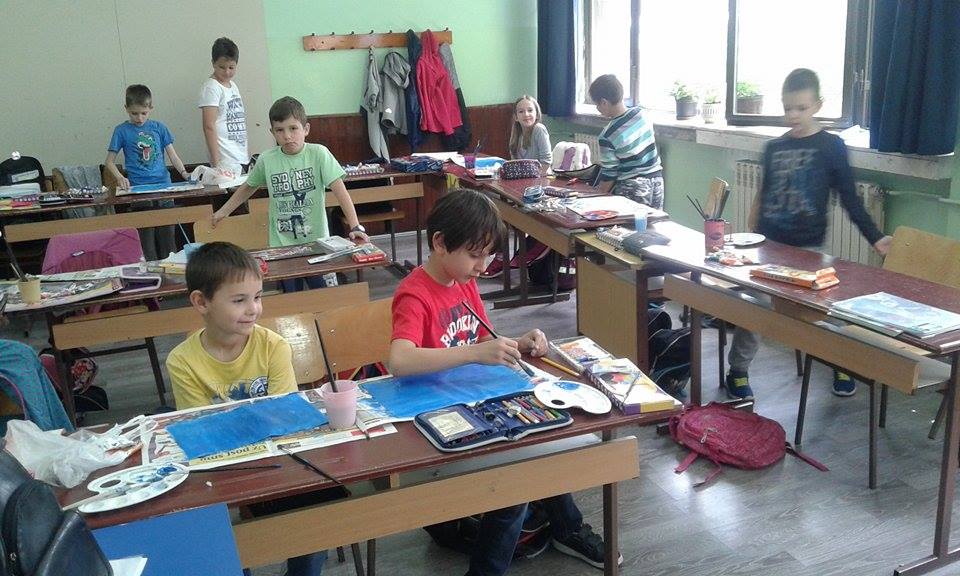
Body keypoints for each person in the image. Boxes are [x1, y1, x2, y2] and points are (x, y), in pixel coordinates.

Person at [389, 189, 619, 574]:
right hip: (433, 419)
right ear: (440, 243)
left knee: (540, 445)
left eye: (488, 255)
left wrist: (516, 344)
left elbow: (481, 336)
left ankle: (566, 528)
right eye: (475, 255)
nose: (483, 267)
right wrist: (476, 353)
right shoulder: (415, 293)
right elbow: (400, 360)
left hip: (472, 401)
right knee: (516, 481)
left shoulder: (461, 278)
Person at [725, 68, 893, 400]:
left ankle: (840, 363)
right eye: (787, 107)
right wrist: (752, 229)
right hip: (769, 247)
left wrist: (875, 237)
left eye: (801, 108)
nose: (793, 115)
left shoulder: (832, 147)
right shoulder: (774, 147)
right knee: (754, 306)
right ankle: (738, 370)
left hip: (809, 250)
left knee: (826, 308)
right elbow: (764, 191)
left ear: (817, 105)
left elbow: (850, 198)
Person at [165, 241, 327, 575]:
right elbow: (203, 431)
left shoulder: (273, 346)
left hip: (278, 461)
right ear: (201, 302)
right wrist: (256, 420)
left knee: (317, 509)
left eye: (258, 297)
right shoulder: (182, 360)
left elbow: (285, 415)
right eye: (239, 300)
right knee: (209, 527)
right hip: (222, 470)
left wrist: (240, 423)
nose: (253, 309)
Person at [212, 96, 368, 291]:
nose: (287, 136)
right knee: (291, 299)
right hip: (281, 247)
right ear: (272, 132)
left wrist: (355, 226)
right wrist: (223, 211)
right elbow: (248, 187)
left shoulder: (319, 154)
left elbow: (341, 192)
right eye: (280, 130)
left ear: (306, 129)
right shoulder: (267, 159)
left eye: (293, 128)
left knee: (322, 296)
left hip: (317, 244)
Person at [105, 84, 189, 261]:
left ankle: (171, 273)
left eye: (144, 113)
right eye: (134, 113)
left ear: (151, 108)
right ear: (126, 109)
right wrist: (120, 177)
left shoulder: (159, 127)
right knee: (146, 243)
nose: (139, 118)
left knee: (168, 241)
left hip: (163, 187)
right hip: (139, 191)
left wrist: (185, 174)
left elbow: (173, 156)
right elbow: (109, 162)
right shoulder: (121, 130)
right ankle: (151, 273)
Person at [482, 95, 552, 279]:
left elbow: (546, 163)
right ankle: (501, 256)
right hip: (522, 187)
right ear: (515, 116)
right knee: (499, 211)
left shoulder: (539, 130)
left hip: (538, 189)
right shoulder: (517, 134)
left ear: (537, 113)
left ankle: (504, 257)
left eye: (530, 110)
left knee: (508, 214)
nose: (526, 114)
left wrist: (528, 187)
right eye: (521, 111)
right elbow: (516, 165)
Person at [589, 74, 664, 210]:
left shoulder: (607, 135)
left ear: (604, 102)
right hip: (657, 180)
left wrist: (595, 196)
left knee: (630, 224)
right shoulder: (642, 114)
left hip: (633, 187)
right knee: (654, 222)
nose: (597, 109)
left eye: (597, 105)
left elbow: (610, 174)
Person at [199, 37, 248, 177]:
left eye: (231, 67)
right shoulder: (211, 87)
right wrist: (216, 164)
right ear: (213, 63)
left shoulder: (233, 86)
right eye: (222, 67)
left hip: (240, 158)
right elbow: (208, 126)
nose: (227, 72)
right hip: (224, 160)